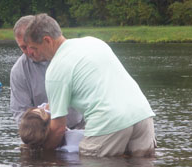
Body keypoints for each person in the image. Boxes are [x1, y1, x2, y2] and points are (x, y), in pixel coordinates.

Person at [23, 13, 156, 157]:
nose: (29, 53)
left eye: (33, 48)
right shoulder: (93, 42)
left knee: (90, 165)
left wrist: (43, 154)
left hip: (108, 121)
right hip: (142, 115)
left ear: (47, 40)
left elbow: (58, 128)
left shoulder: (56, 69)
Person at [10, 15, 83, 129]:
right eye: (23, 47)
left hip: (81, 126)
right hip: (43, 132)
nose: (29, 52)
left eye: (31, 46)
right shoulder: (19, 71)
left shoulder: (70, 57)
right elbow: (20, 113)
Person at [19, 105, 84, 153]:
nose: (46, 105)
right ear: (51, 127)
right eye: (43, 110)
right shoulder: (76, 139)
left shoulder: (34, 149)